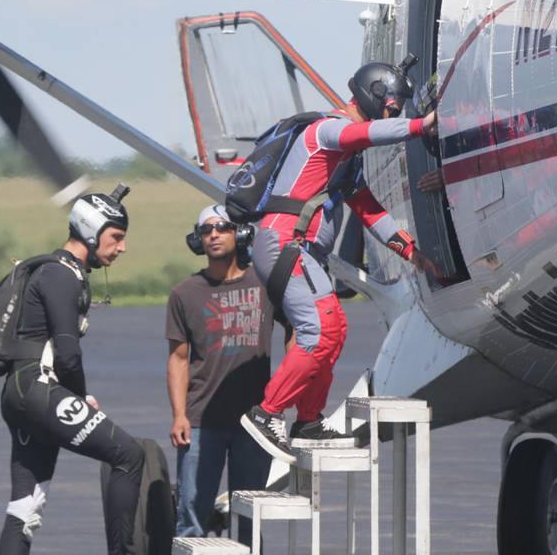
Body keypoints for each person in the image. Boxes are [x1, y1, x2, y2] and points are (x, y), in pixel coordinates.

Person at [240, 61, 440, 463]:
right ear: (372, 94)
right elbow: (364, 133)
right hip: (286, 244)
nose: (395, 113)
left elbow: (367, 209)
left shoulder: (345, 161)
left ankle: (308, 422)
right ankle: (267, 413)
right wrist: (421, 126)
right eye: (392, 105)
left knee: (332, 330)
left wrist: (410, 251)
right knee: (319, 331)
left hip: (301, 251)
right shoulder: (328, 131)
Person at [0, 190, 144, 555]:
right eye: (117, 237)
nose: (122, 247)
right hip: (38, 389)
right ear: (92, 232)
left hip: (21, 392)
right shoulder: (61, 276)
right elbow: (68, 353)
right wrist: (81, 397)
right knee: (129, 455)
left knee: (25, 508)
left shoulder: (56, 272)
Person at [166, 204, 291, 545]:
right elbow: (178, 359)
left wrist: (286, 388)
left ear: (240, 233)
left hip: (254, 423)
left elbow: (296, 328)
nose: (214, 235)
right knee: (191, 519)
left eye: (221, 227)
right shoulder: (184, 294)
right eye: (206, 231)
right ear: (197, 239)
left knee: (249, 519)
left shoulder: (265, 283)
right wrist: (179, 416)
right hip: (201, 420)